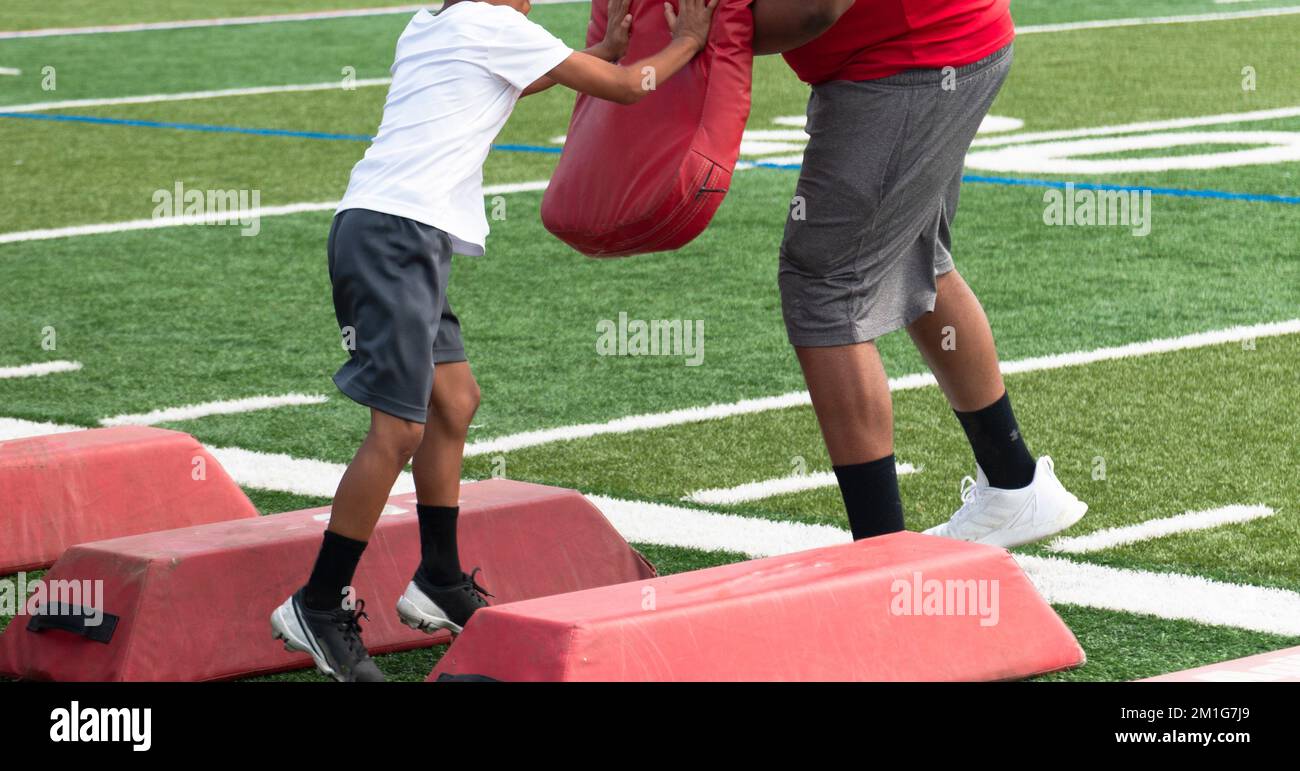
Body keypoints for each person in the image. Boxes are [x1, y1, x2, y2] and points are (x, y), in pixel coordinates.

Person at [271, 0, 719, 682]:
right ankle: (319, 602)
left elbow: (520, 77)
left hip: (397, 233)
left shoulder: (435, 23)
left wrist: (599, 49)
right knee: (396, 430)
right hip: (395, 237)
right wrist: (688, 40)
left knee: (454, 400)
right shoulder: (494, 24)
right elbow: (633, 90)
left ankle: (439, 577)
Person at [750, 0, 1088, 545]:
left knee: (824, 287)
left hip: (908, 62)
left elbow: (816, 9)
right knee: (915, 256)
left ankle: (881, 551)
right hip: (942, 44)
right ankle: (1015, 484)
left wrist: (700, 39)